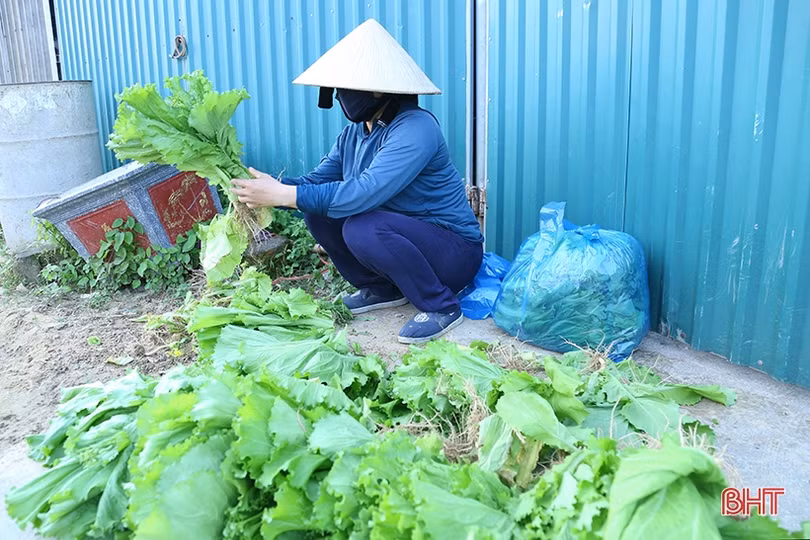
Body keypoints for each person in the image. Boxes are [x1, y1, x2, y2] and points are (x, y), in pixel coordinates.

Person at [231, 19, 483, 344]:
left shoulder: (416, 128)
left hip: (453, 252)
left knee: (362, 226)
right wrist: (265, 188)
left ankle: (442, 306)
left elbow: (365, 192)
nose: (340, 95)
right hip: (405, 239)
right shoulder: (354, 134)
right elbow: (316, 182)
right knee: (318, 212)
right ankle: (382, 289)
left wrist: (284, 194)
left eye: (348, 87)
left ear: (378, 89)